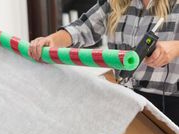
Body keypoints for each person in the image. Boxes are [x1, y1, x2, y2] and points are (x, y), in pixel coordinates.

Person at [29, 0, 179, 126]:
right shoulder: (114, 3)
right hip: (127, 102)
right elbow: (82, 28)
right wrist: (52, 40)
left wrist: (175, 47)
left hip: (169, 107)